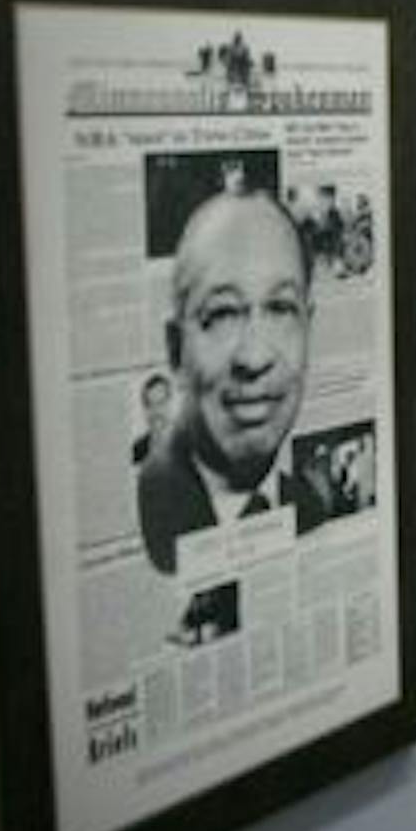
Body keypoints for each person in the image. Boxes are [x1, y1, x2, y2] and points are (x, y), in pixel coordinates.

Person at [137, 187, 326, 576]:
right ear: (175, 349)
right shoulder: (147, 520)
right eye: (222, 314)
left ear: (310, 328)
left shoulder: (312, 508)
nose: (254, 358)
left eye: (280, 308)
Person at [130, 372, 172, 466]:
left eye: (160, 403)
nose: (155, 411)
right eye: (149, 405)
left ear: (170, 404)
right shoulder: (136, 450)